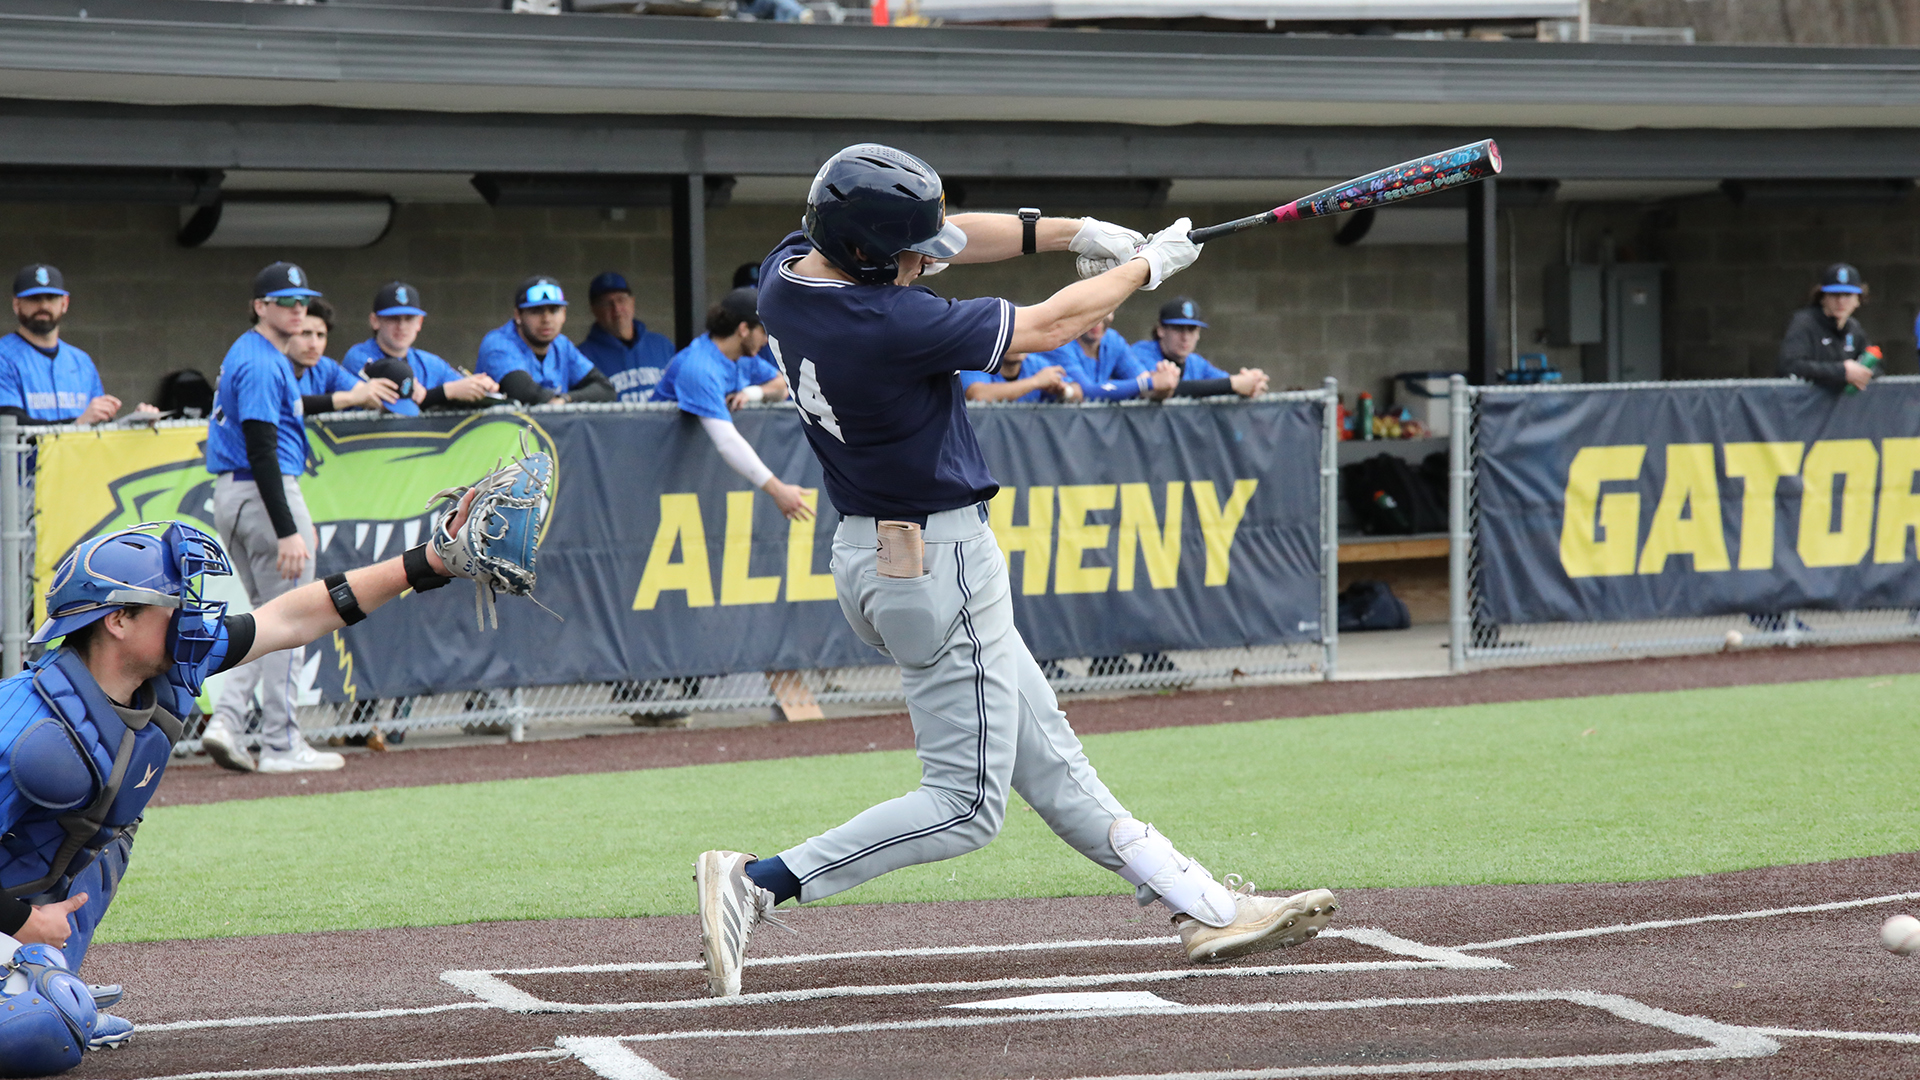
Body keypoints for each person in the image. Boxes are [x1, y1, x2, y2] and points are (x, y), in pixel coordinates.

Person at [692, 143, 1337, 999]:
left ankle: (1205, 907)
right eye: (911, 254)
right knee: (964, 806)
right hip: (937, 562)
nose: (928, 262)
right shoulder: (890, 323)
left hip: (879, 552)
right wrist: (1145, 266)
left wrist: (1078, 231)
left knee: (1052, 760)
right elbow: (1051, 328)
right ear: (870, 253)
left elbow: (952, 232)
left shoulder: (790, 274)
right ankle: (760, 881)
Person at [0, 491, 491, 1073]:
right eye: (174, 603)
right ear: (118, 619)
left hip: (23, 904)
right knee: (37, 1033)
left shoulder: (164, 672)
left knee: (108, 830)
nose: (193, 617)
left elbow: (292, 617)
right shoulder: (27, 727)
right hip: (14, 912)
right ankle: (36, 984)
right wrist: (23, 923)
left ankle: (46, 978)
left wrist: (429, 560)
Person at [197, 262, 343, 775]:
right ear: (261, 306)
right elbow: (261, 449)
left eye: (302, 300)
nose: (297, 308)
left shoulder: (255, 351)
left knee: (267, 618)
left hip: (237, 493)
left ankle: (226, 722)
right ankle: (281, 743)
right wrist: (286, 530)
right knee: (294, 619)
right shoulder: (260, 360)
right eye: (286, 301)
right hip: (264, 491)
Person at [652, 287, 811, 520]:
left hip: (690, 478)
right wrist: (779, 490)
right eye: (763, 331)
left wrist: (752, 393)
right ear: (744, 329)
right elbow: (726, 441)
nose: (766, 340)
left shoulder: (741, 356)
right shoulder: (699, 368)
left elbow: (781, 387)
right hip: (656, 468)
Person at [0, 264, 135, 426]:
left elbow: (99, 425)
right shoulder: (4, 356)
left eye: (51, 298)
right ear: (16, 305)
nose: (43, 306)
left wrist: (136, 422)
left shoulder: (81, 361)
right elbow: (10, 424)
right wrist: (77, 424)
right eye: (34, 298)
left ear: (64, 303)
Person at [343, 282, 499, 410]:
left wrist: (480, 386)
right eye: (393, 318)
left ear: (419, 323)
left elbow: (461, 386)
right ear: (375, 321)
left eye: (409, 318)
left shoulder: (430, 363)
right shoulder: (359, 357)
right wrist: (447, 392)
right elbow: (397, 405)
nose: (401, 326)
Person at [476, 277, 617, 406]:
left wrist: (565, 399)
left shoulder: (561, 344)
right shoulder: (498, 342)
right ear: (518, 315)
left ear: (564, 314)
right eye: (536, 311)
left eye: (554, 310)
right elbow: (523, 391)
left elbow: (605, 389)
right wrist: (558, 401)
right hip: (507, 431)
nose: (546, 319)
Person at [1130, 297, 1270, 398]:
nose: (1185, 336)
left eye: (1191, 329)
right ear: (1161, 330)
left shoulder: (1196, 363)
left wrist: (1252, 384)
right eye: (1178, 329)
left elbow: (1223, 382)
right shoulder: (1140, 353)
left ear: (1198, 334)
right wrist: (1233, 384)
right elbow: (1164, 387)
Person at [288, 299, 404, 415]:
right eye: (305, 334)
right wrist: (350, 398)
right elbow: (287, 404)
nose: (314, 344)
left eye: (321, 335)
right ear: (286, 334)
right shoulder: (272, 365)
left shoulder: (325, 367)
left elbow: (362, 391)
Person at [1030, 312, 1176, 403]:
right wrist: (1151, 383)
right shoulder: (1060, 341)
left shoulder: (1112, 340)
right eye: (1090, 313)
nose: (1097, 321)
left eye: (1104, 310)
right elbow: (1087, 393)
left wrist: (1164, 387)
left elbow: (1147, 387)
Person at [577, 272, 675, 403]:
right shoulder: (581, 358)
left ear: (632, 302)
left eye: (621, 300)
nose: (616, 309)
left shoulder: (662, 346)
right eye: (607, 303)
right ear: (594, 310)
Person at [1777, 262, 1875, 392]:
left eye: (1847, 295)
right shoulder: (1804, 323)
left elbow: (1875, 364)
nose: (1841, 301)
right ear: (1822, 297)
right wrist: (1841, 371)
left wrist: (1862, 373)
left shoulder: (1854, 327)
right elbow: (1789, 365)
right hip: (1801, 406)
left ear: (1858, 300)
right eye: (1835, 295)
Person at [957, 349, 1080, 403]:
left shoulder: (1035, 363)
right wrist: (1036, 382)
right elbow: (978, 395)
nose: (1020, 343)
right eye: (1012, 337)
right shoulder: (978, 361)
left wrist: (1064, 391)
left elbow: (1077, 392)